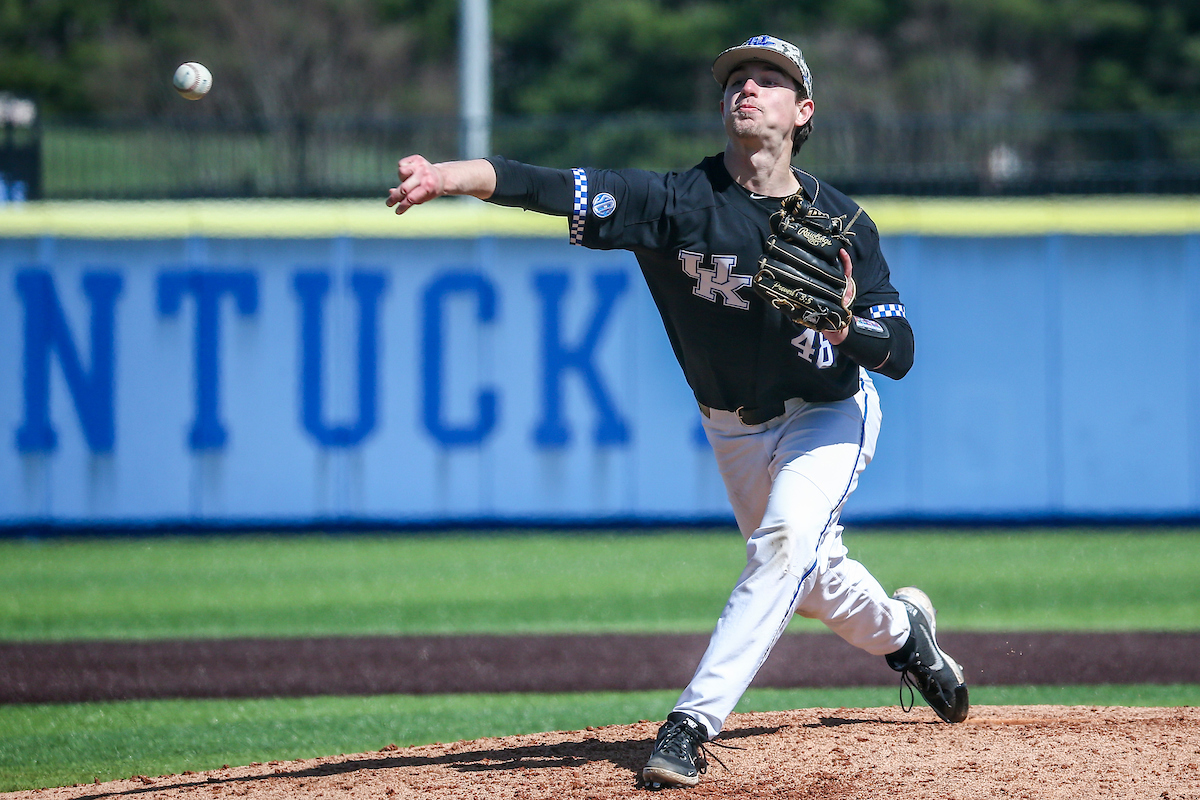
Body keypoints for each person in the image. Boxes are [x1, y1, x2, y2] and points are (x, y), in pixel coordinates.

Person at [387, 34, 969, 790]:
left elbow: (901, 350)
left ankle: (691, 724)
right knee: (813, 577)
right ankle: (904, 635)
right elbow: (544, 185)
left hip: (830, 412)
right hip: (731, 423)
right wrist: (446, 176)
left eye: (769, 79)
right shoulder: (675, 203)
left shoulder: (844, 222)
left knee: (786, 542)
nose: (747, 89)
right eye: (737, 79)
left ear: (804, 111)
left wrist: (844, 326)